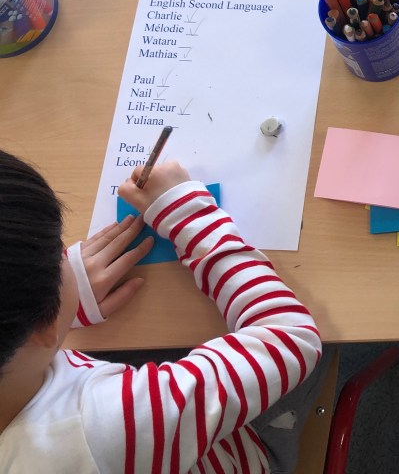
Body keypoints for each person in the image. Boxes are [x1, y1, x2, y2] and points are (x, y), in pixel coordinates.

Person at [0, 150, 323, 472]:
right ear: (43, 325)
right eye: (60, 254)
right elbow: (289, 337)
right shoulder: (111, 424)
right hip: (235, 449)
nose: (69, 254)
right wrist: (187, 215)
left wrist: (63, 312)